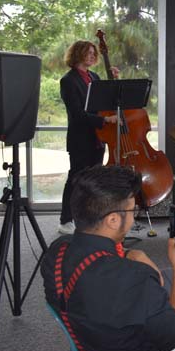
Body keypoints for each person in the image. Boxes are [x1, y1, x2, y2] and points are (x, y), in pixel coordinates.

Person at [41, 166, 175, 351]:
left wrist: (131, 253)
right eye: (132, 211)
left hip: (102, 331)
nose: (134, 217)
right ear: (113, 220)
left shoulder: (56, 251)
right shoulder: (132, 278)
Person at [58, 40, 119, 235]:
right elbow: (77, 114)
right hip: (81, 138)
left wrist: (115, 80)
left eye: (94, 53)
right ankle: (65, 220)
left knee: (94, 181)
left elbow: (107, 100)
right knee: (76, 179)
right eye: (89, 52)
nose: (93, 56)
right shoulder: (68, 80)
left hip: (98, 138)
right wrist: (104, 120)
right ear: (77, 54)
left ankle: (88, 219)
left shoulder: (94, 76)